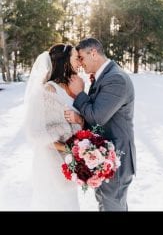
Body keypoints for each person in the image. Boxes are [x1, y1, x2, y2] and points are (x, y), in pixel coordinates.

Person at [64, 37, 136, 211]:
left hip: (116, 157)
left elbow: (96, 117)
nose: (79, 63)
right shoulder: (103, 76)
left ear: (93, 53)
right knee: (106, 204)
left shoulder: (116, 78)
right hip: (103, 157)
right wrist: (81, 120)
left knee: (112, 206)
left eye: (81, 57)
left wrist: (79, 94)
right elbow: (95, 116)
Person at [23, 43, 84, 211]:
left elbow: (80, 120)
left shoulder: (73, 87)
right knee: (54, 204)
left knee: (70, 204)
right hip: (50, 163)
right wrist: (67, 148)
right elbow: (36, 133)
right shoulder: (47, 90)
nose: (79, 62)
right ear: (65, 61)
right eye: (75, 58)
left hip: (69, 163)